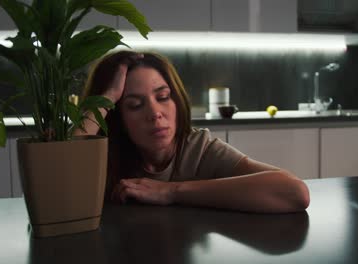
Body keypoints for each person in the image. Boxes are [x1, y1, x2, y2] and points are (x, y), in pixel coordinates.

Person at [75, 50, 310, 213]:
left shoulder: (198, 149)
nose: (156, 113)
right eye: (135, 105)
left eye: (163, 97)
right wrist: (106, 98)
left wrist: (172, 192)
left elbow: (293, 192)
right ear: (115, 116)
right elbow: (62, 176)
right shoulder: (101, 154)